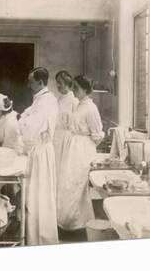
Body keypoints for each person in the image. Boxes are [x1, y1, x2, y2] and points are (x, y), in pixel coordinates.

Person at [57, 75, 104, 231]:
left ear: (85, 89)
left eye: (76, 88)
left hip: (83, 150)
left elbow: (97, 135)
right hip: (74, 147)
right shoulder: (79, 105)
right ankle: (68, 223)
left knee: (78, 186)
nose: (73, 90)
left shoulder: (91, 108)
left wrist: (84, 146)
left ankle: (81, 224)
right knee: (68, 184)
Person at [19, 67, 59, 245]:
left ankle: (41, 240)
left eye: (31, 81)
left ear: (41, 82)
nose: (28, 84)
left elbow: (29, 128)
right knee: (34, 196)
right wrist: (24, 119)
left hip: (41, 152)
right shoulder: (40, 100)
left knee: (39, 196)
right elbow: (25, 116)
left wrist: (22, 121)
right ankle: (33, 237)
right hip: (38, 151)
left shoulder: (46, 102)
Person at [53, 70, 78, 179]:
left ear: (67, 83)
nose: (58, 85)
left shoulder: (74, 101)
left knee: (64, 171)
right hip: (56, 138)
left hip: (67, 139)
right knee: (55, 170)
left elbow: (76, 124)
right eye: (57, 83)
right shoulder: (58, 100)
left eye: (60, 83)